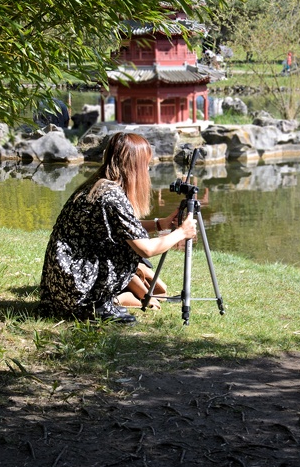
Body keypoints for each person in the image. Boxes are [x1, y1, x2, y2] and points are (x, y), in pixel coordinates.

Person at [39, 132, 198, 324]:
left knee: (123, 242)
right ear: (134, 165)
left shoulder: (97, 185)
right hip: (76, 293)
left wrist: (160, 224)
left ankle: (104, 301)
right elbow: (146, 249)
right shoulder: (112, 196)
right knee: (127, 247)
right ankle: (98, 306)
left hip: (59, 288)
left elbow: (121, 227)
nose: (148, 169)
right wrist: (182, 232)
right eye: (146, 164)